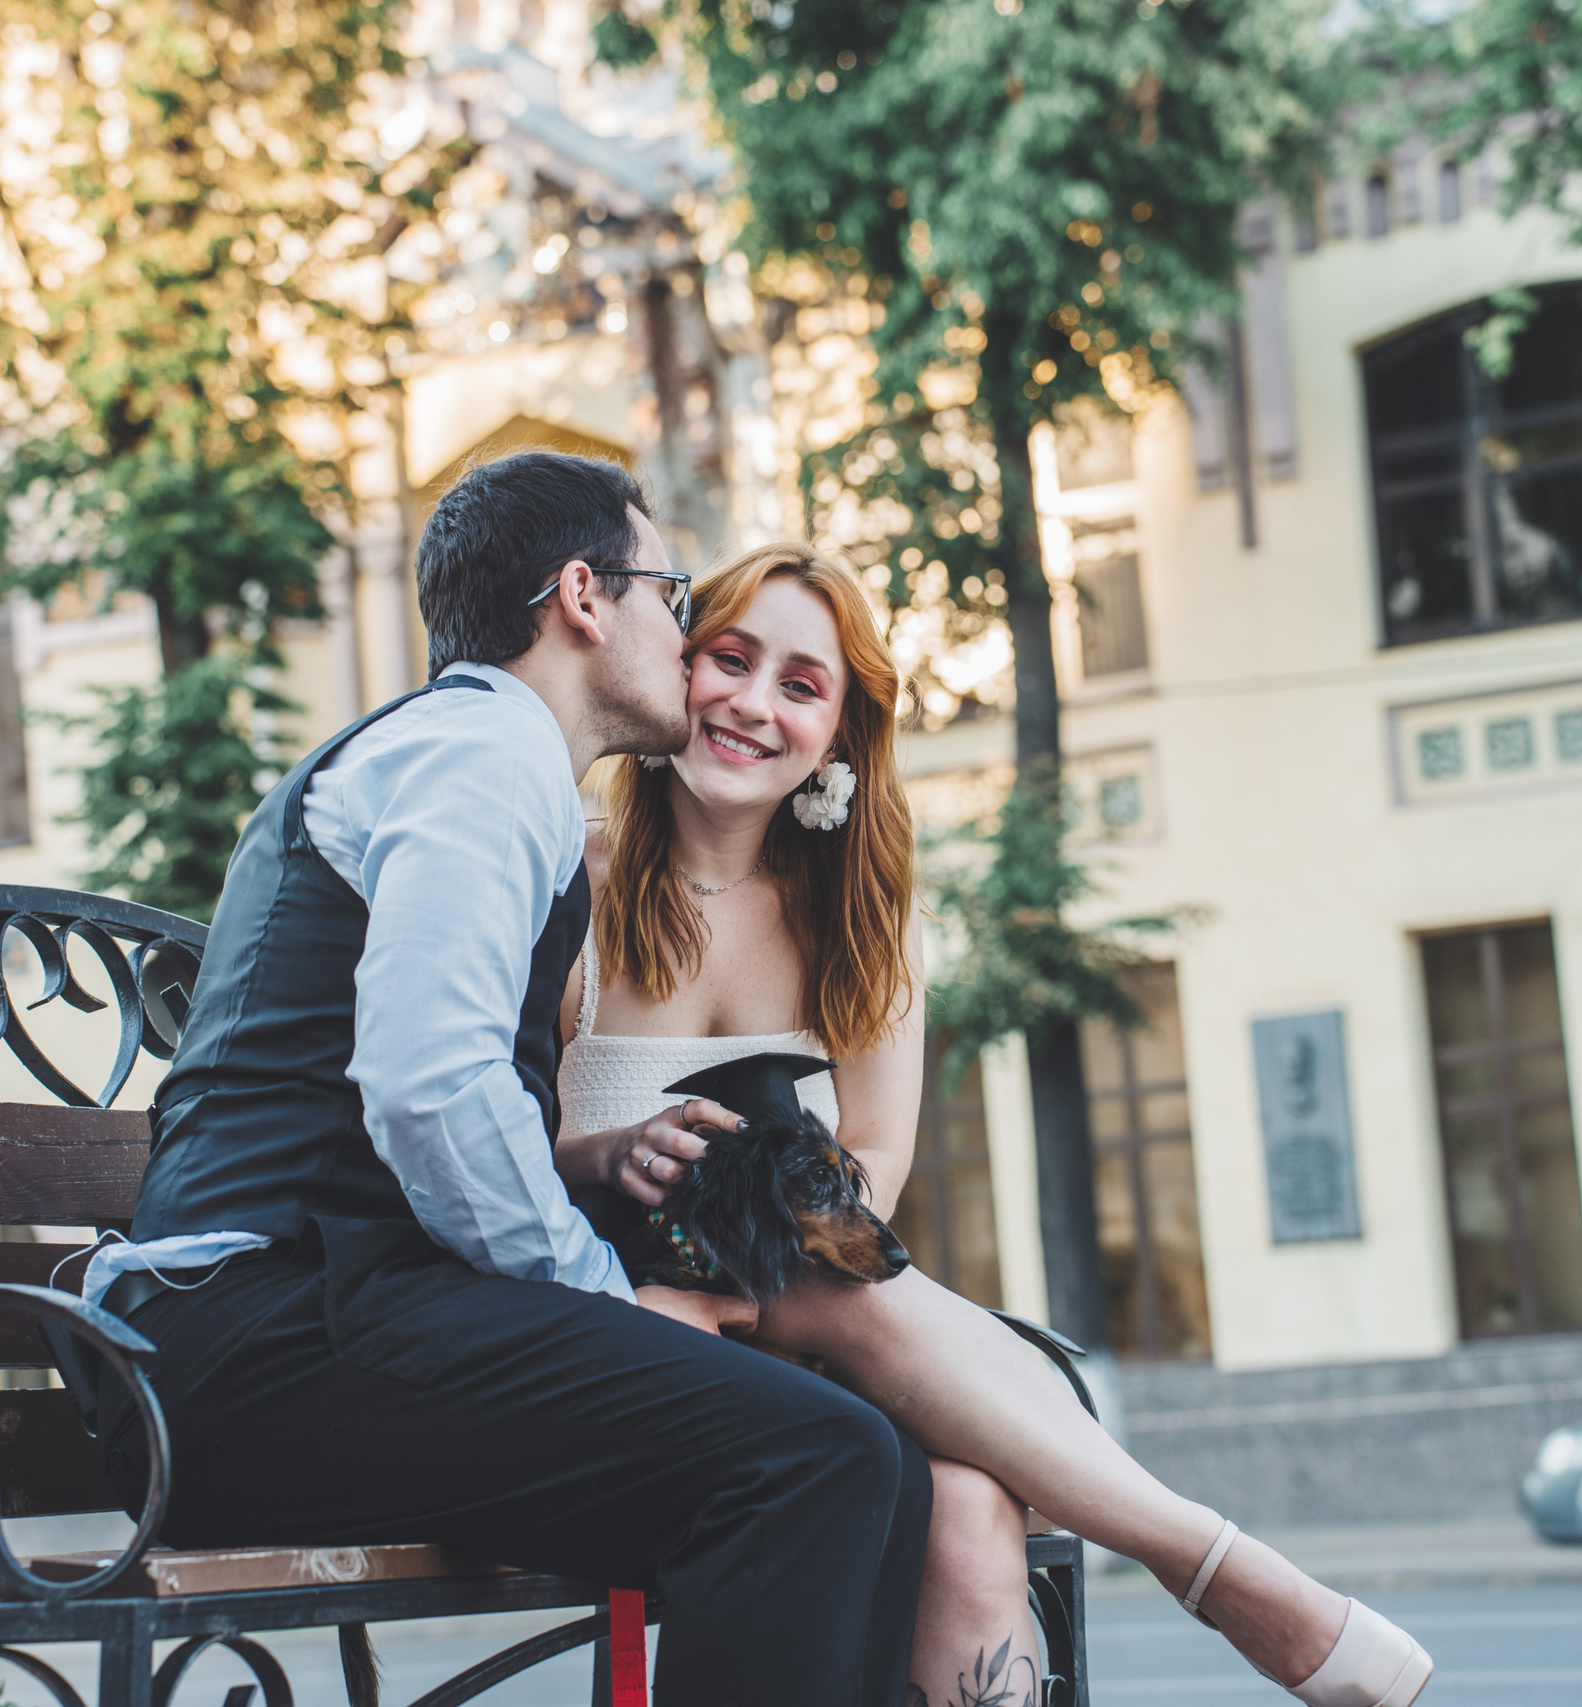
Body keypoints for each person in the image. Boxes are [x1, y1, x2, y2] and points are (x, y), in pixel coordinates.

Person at [92, 455, 936, 1707]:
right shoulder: (482, 753)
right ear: (585, 597)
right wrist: (604, 1301)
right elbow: (430, 1087)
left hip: (305, 1327)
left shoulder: (480, 759)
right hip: (245, 1346)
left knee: (872, 1471)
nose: (683, 635)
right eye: (671, 596)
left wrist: (596, 1185)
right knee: (814, 1461)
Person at [552, 543, 1435, 1707]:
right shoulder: (571, 883)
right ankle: (1213, 1565)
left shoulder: (861, 919)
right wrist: (617, 1160)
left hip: (799, 1319)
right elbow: (487, 1146)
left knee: (971, 1509)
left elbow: (873, 1161)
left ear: (839, 738)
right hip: (612, 1315)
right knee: (828, 1285)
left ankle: (1215, 1569)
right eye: (731, 659)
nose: (754, 704)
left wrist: (754, 1292)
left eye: (801, 685)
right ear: (678, 666)